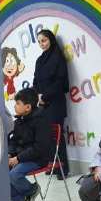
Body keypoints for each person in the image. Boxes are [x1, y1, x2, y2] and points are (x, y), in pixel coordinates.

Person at [8, 88, 52, 201]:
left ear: (27, 107)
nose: (15, 106)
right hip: (21, 157)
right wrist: (10, 154)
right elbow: (13, 141)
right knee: (0, 172)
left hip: (38, 158)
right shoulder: (19, 120)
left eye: (18, 103)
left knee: (14, 175)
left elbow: (40, 147)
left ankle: (31, 190)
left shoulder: (41, 120)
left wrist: (18, 158)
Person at [33, 29, 69, 178]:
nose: (42, 44)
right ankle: (52, 165)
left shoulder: (58, 58)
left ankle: (63, 168)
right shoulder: (40, 60)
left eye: (44, 40)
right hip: (42, 104)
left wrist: (45, 96)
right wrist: (37, 95)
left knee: (57, 135)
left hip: (55, 103)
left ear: (51, 40)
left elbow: (60, 82)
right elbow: (35, 80)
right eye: (40, 41)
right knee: (46, 136)